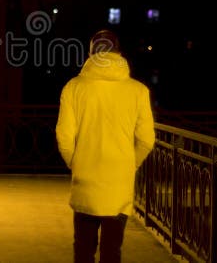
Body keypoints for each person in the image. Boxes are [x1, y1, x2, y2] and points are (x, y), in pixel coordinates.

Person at [55, 29, 156, 263]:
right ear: (118, 52)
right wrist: (130, 164)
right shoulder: (138, 91)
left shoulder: (74, 87)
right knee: (112, 250)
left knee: (83, 248)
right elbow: (146, 140)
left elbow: (64, 135)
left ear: (91, 54)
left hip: (85, 179)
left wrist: (76, 162)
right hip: (118, 181)